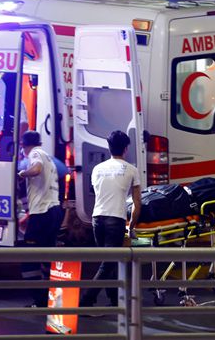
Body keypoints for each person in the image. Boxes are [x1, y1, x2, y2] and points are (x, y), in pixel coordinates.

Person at [80, 130, 141, 308]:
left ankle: (116, 300)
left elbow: (98, 192)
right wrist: (132, 226)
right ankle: (86, 301)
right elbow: (137, 203)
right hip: (116, 219)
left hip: (97, 219)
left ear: (109, 147)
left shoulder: (97, 169)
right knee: (108, 263)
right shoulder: (131, 170)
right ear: (126, 148)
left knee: (108, 261)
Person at [18, 130, 64, 308]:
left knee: (29, 258)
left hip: (43, 214)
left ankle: (39, 299)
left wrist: (23, 174)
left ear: (24, 146)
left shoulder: (35, 154)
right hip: (53, 211)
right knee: (46, 257)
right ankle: (49, 299)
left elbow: (36, 170)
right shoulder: (49, 158)